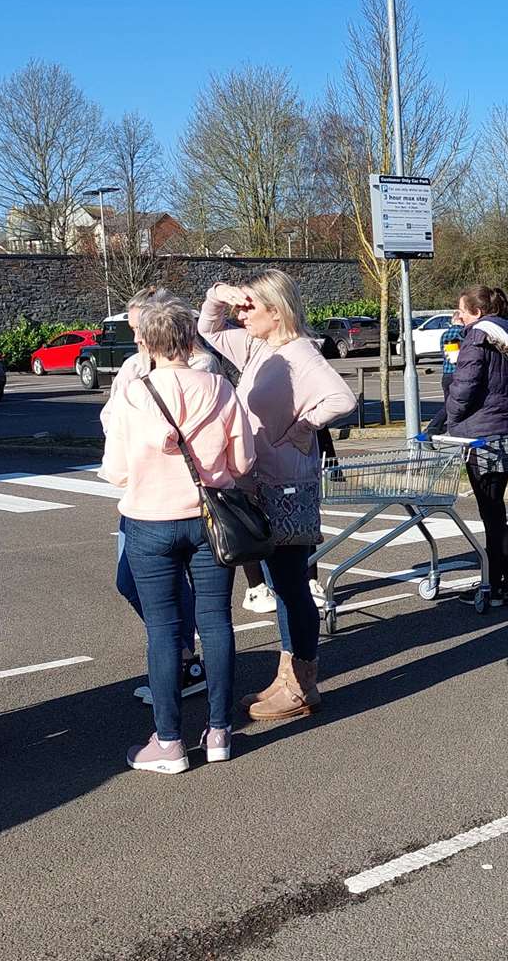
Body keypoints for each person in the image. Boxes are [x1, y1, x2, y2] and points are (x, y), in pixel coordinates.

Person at [99, 301, 252, 773]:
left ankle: (168, 741)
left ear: (145, 343)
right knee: (216, 622)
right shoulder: (222, 388)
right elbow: (243, 464)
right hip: (209, 519)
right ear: (191, 340)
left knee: (163, 632)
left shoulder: (131, 395)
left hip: (149, 522)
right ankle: (220, 730)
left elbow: (115, 472)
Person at [200, 269, 357, 722]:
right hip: (263, 481)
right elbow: (207, 329)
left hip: (286, 484)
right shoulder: (258, 346)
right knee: (281, 585)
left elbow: (341, 399)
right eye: (241, 307)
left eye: (251, 307)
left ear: (277, 309)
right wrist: (219, 294)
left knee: (291, 587)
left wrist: (300, 430)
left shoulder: (301, 354)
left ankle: (302, 686)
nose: (241, 314)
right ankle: (287, 676)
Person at [103, 288, 214, 705]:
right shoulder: (134, 366)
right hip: (142, 492)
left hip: (173, 500)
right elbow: (110, 414)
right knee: (131, 583)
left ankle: (184, 667)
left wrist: (134, 428)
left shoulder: (199, 368)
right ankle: (183, 662)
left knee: (180, 602)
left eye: (138, 330)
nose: (134, 340)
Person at [430, 286, 508, 602]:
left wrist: (450, 421)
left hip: (479, 435)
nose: (458, 315)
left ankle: (495, 584)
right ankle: (507, 583)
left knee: (492, 514)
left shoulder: (476, 338)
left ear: (476, 312)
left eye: (461, 309)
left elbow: (463, 390)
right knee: (495, 512)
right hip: (505, 429)